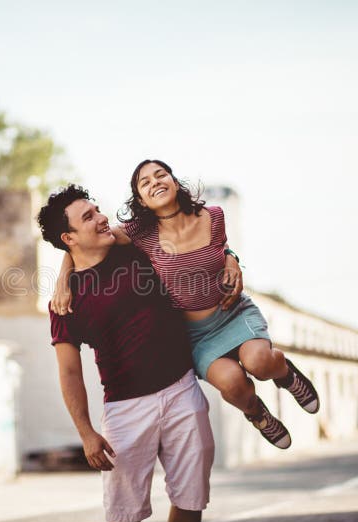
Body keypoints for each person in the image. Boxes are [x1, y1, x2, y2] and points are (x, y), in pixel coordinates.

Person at [52, 159, 320, 449]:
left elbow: (223, 250)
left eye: (161, 175)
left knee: (260, 362)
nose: (155, 182)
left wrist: (233, 259)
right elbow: (83, 243)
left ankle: (286, 374)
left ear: (174, 181)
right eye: (145, 182)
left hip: (231, 313)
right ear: (140, 200)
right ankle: (257, 414)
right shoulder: (140, 233)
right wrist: (62, 278)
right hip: (196, 335)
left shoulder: (214, 216)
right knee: (233, 384)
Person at [37, 184, 215, 522]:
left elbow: (179, 223)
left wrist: (64, 265)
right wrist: (86, 433)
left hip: (182, 390)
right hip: (124, 409)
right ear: (68, 237)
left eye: (97, 209)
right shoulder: (65, 302)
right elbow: (70, 373)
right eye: (88, 217)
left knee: (191, 500)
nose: (102, 217)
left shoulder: (138, 249)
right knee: (122, 514)